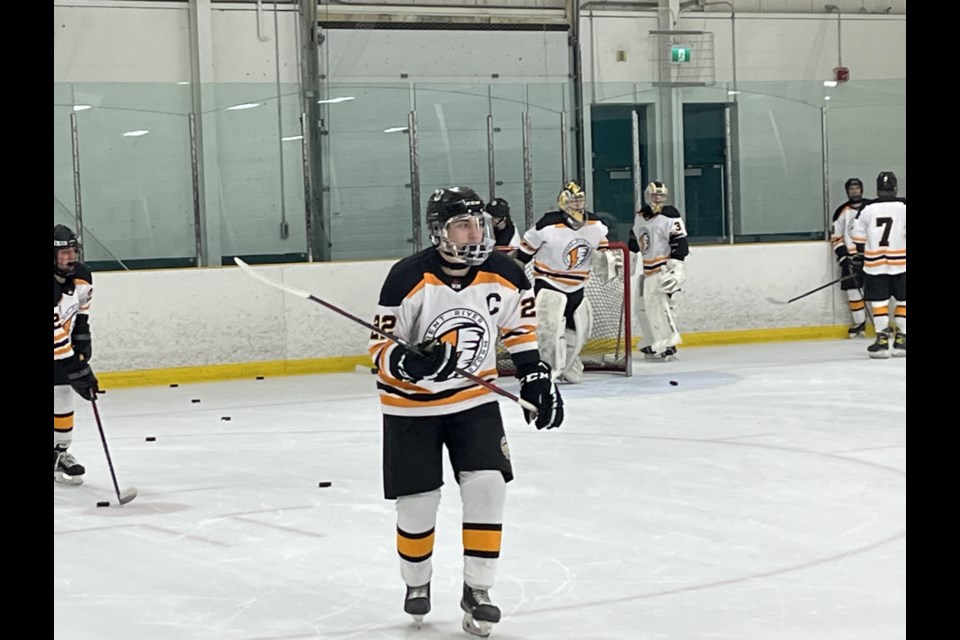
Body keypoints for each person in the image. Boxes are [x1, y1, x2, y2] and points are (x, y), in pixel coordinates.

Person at [369, 186, 564, 637]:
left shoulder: (508, 273)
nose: (475, 232)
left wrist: (534, 372)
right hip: (409, 409)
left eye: (479, 223)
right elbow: (380, 349)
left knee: (489, 487)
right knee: (418, 506)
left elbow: (519, 328)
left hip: (473, 403)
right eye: (463, 224)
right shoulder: (406, 277)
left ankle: (478, 591)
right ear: (439, 231)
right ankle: (417, 581)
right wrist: (407, 361)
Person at [515, 181, 621, 383]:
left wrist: (607, 263)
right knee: (549, 330)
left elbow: (602, 255)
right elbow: (523, 255)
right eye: (574, 200)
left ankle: (569, 365)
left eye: (580, 200)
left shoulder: (596, 225)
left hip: (578, 287)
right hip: (549, 284)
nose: (578, 205)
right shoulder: (547, 224)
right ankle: (545, 369)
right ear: (563, 201)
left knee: (577, 330)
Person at [53, 224, 100, 485]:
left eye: (73, 250)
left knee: (62, 396)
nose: (70, 256)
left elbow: (81, 311)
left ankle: (59, 454)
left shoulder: (83, 275)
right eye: (63, 253)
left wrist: (82, 337)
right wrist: (76, 368)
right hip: (57, 347)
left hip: (59, 351)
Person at [628, 181, 690, 361]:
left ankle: (667, 343)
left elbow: (680, 240)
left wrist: (677, 266)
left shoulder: (670, 215)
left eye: (661, 196)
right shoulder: (641, 216)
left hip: (663, 268)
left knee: (660, 307)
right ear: (647, 196)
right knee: (642, 307)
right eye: (654, 195)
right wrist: (631, 257)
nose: (657, 199)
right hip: (646, 269)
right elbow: (634, 237)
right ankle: (651, 338)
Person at [851, 171, 906, 358]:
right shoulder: (903, 206)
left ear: (877, 188)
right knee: (903, 301)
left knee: (879, 303)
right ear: (895, 187)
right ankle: (902, 340)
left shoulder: (867, 208)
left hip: (875, 265)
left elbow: (857, 236)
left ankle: (882, 340)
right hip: (902, 263)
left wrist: (860, 255)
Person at [831, 177, 870, 337]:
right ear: (847, 192)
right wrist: (843, 256)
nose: (854, 191)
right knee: (853, 292)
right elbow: (836, 237)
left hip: (871, 257)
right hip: (851, 258)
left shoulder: (871, 207)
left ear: (861, 189)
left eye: (857, 188)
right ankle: (859, 322)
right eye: (851, 189)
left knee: (878, 291)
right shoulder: (841, 211)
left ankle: (883, 325)